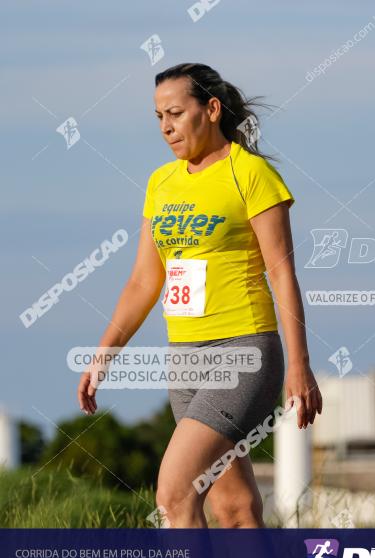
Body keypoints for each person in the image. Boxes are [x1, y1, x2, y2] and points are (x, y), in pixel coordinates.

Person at [76, 63, 322, 528]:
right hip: (184, 358)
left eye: (175, 112)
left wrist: (299, 365)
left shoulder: (250, 174)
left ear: (210, 110)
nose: (166, 127)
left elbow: (282, 276)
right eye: (157, 117)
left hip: (243, 350)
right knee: (233, 508)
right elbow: (143, 282)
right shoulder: (161, 184)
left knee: (173, 493)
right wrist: (103, 354)